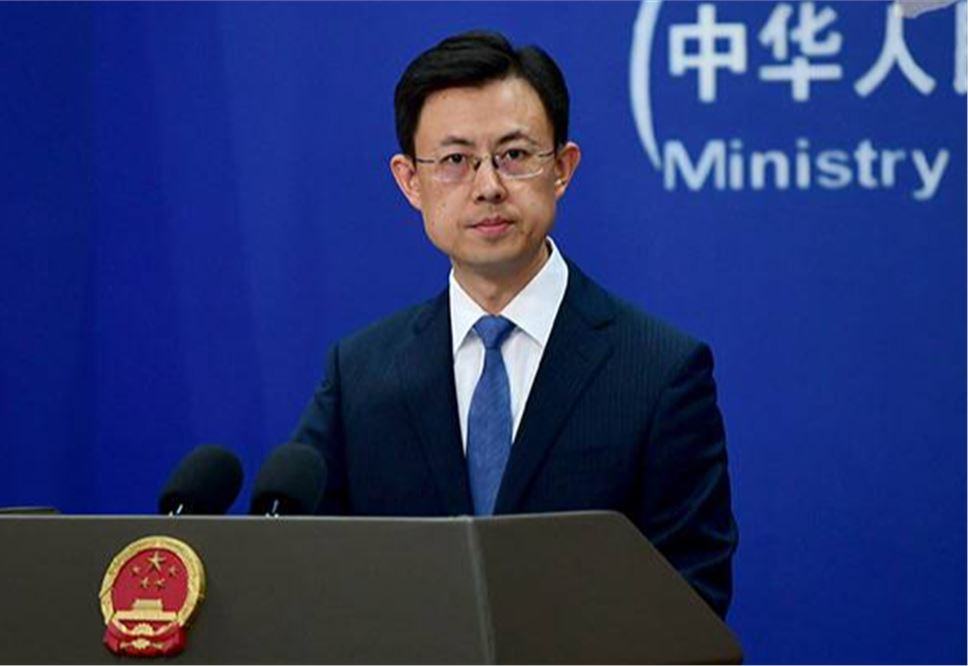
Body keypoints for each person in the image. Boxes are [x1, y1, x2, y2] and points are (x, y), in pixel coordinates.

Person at [294, 30, 737, 618]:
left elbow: (691, 602)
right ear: (410, 181)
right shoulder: (360, 376)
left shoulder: (659, 372)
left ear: (563, 168)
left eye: (515, 156)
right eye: (455, 161)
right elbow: (303, 575)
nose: (488, 187)